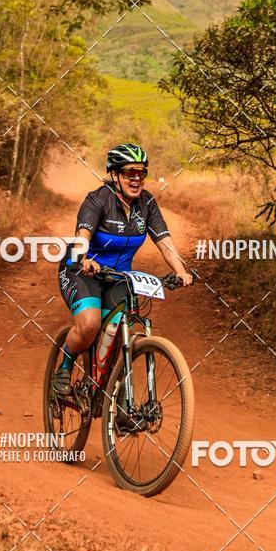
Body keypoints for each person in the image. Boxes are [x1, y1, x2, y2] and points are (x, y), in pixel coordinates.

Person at [54, 143, 192, 395]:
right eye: (130, 173)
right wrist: (84, 258)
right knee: (89, 325)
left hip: (118, 276)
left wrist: (181, 271)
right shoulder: (97, 200)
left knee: (120, 331)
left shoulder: (147, 204)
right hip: (83, 270)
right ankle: (65, 364)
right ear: (115, 175)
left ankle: (104, 391)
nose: (137, 179)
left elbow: (164, 241)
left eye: (142, 173)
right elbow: (82, 235)